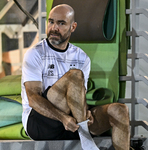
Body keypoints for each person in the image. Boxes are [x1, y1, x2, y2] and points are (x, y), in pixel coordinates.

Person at [21, 4, 130, 150]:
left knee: (120, 110)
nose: (54, 28)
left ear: (73, 27)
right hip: (41, 123)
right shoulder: (35, 54)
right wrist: (63, 118)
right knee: (74, 75)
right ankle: (85, 134)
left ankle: (85, 129)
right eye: (51, 22)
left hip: (73, 123)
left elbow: (79, 96)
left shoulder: (82, 57)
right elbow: (33, 99)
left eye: (61, 23)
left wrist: (86, 112)